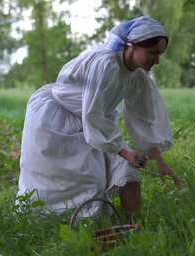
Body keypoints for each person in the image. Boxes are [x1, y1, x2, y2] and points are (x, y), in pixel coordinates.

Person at [17, 16, 177, 219]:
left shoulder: (136, 75)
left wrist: (159, 160)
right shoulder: (106, 65)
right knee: (85, 178)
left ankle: (133, 227)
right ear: (131, 46)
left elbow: (143, 118)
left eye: (160, 54)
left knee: (127, 172)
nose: (157, 60)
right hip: (57, 119)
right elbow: (92, 115)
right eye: (152, 53)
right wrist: (125, 151)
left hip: (95, 126)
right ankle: (62, 224)